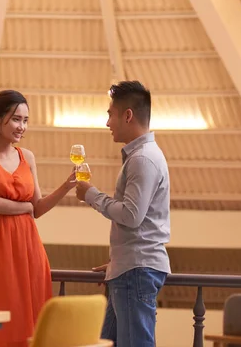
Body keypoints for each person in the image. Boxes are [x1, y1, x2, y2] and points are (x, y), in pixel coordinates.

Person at [0, 90, 75, 347]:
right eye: (16, 119)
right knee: (0, 315)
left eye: (25, 120)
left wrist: (66, 186)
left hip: (30, 250)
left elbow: (37, 208)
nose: (22, 127)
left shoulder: (28, 156)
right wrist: (25, 208)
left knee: (34, 320)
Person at [74, 81, 171, 347]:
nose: (107, 123)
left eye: (110, 114)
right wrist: (119, 260)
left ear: (127, 115)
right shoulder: (143, 156)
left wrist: (91, 194)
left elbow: (131, 215)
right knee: (108, 342)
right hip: (130, 266)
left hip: (135, 269)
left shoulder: (142, 159)